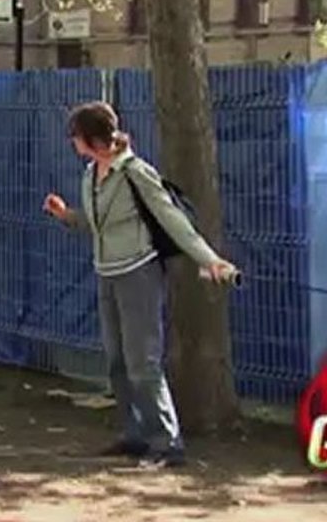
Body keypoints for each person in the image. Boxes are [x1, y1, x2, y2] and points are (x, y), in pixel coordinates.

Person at [42, 101, 237, 469]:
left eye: (77, 137)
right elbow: (98, 224)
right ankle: (135, 435)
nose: (73, 143)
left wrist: (209, 259)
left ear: (94, 139)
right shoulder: (90, 174)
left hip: (138, 274)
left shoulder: (135, 172)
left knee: (142, 362)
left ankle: (167, 442)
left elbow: (172, 218)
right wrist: (65, 215)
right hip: (106, 272)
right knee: (116, 361)